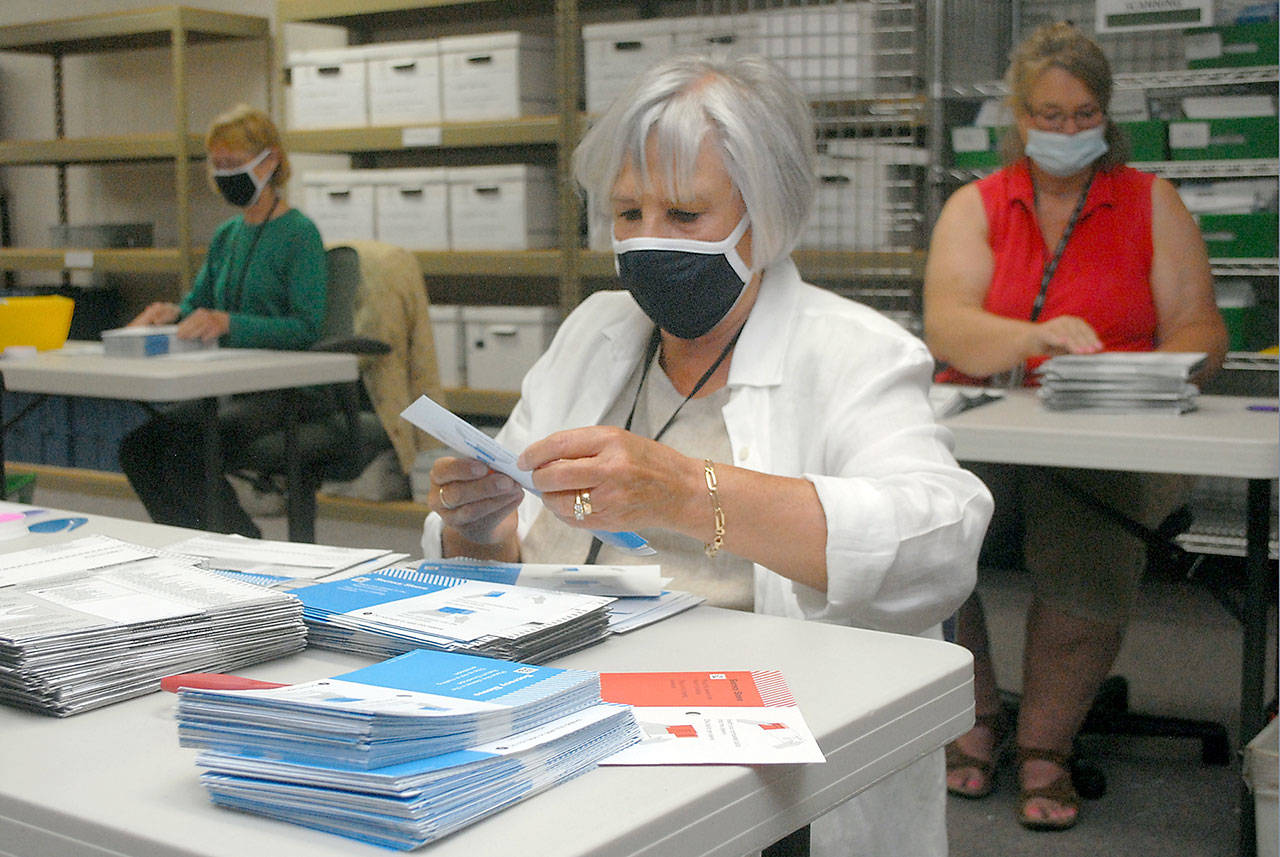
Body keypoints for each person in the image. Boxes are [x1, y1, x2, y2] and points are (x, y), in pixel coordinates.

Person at [421, 52, 993, 857]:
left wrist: (690, 493)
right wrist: (478, 529)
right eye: (627, 212)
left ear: (768, 214)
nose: (648, 241)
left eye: (685, 215)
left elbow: (940, 543)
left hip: (732, 760)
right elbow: (508, 556)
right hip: (561, 713)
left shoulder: (856, 353)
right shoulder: (596, 333)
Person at [923, 22, 1228, 831]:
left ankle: (1046, 748)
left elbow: (1201, 328)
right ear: (1018, 116)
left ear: (1106, 114)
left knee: (1089, 518)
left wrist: (1166, 370)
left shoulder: (1150, 202)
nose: (1066, 131)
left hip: (1112, 437)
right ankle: (969, 721)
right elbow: (950, 329)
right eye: (1049, 115)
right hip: (988, 437)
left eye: (1082, 114)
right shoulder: (976, 206)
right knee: (924, 516)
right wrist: (1034, 337)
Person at [118, 104, 328, 537]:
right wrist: (169, 315)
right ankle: (192, 545)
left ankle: (245, 547)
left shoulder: (299, 234)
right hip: (228, 386)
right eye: (217, 165)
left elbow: (307, 327)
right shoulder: (227, 236)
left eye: (233, 164)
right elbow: (199, 305)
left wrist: (230, 323)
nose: (224, 174)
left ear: (270, 162)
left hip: (284, 392)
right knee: (138, 448)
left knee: (184, 448)